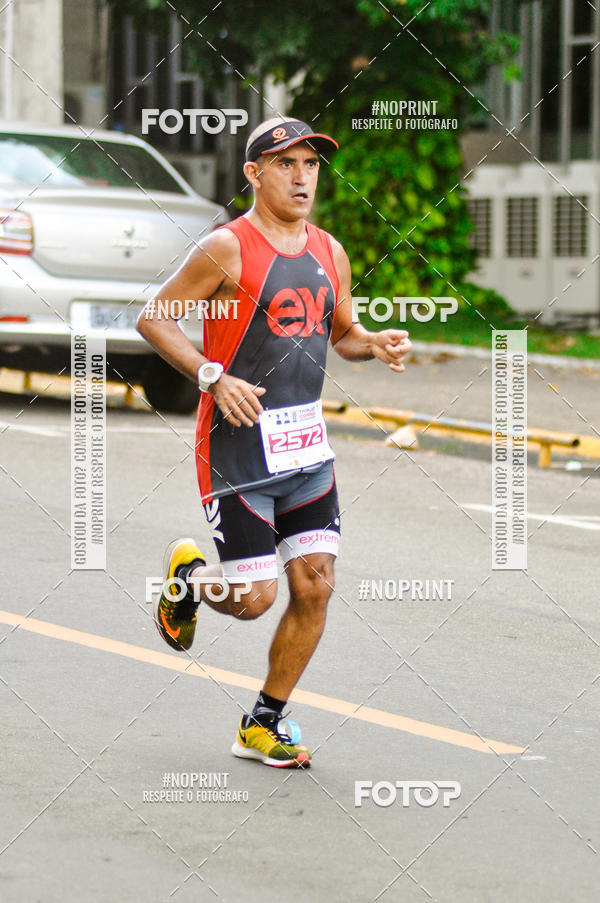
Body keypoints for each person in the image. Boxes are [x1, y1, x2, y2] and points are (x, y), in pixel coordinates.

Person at [137, 116, 411, 768]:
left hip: (307, 452)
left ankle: (263, 721)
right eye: (285, 163)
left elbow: (341, 332)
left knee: (315, 587)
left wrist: (371, 343)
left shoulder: (330, 251)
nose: (301, 176)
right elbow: (155, 317)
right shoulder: (226, 249)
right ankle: (191, 579)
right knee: (255, 599)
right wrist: (211, 374)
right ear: (254, 174)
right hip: (237, 451)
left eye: (310, 163)